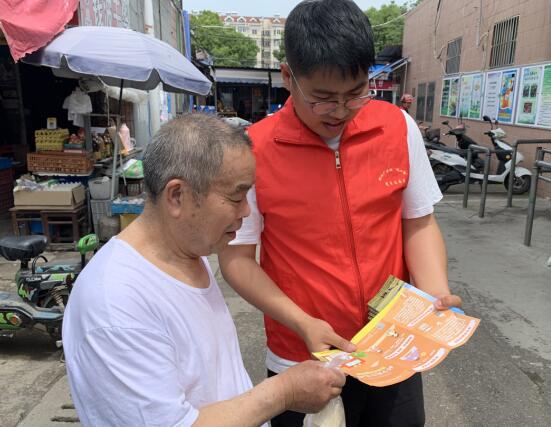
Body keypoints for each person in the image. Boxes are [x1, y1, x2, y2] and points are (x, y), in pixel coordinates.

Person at [218, 1, 462, 426]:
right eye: (323, 99)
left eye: (356, 93)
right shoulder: (254, 151)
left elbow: (419, 223)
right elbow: (237, 259)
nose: (341, 110)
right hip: (303, 357)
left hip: (392, 347)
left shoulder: (396, 127)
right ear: (288, 77)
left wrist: (435, 295)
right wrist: (301, 322)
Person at [62, 114, 346, 427]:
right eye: (236, 197)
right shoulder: (115, 304)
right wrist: (284, 391)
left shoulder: (188, 253)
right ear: (177, 196)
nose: (246, 210)